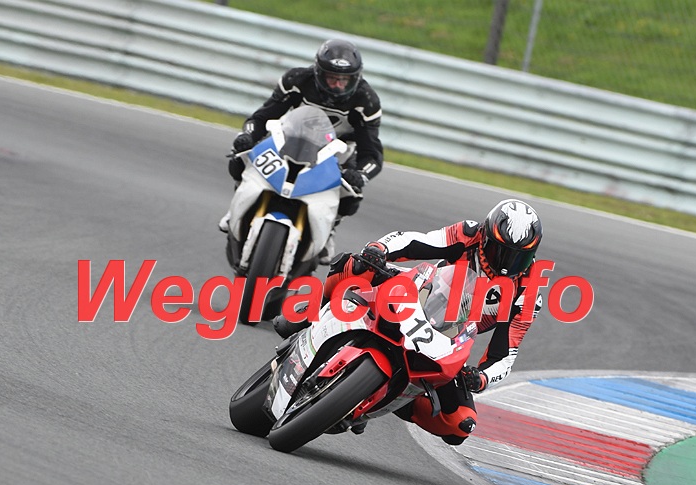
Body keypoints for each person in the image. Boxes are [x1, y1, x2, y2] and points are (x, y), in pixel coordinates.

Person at [274, 198, 545, 446]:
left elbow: (505, 354)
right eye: (500, 251)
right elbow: (416, 241)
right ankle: (313, 312)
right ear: (485, 237)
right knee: (357, 265)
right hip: (420, 292)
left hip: (449, 336)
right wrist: (380, 249)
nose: (507, 264)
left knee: (460, 424)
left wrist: (481, 378)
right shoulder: (469, 233)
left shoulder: (528, 294)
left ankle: (381, 399)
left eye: (518, 256)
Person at [219, 38, 384, 264]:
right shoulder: (297, 81)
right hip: (292, 138)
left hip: (337, 151)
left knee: (352, 193)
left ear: (355, 78)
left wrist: (360, 174)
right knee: (240, 156)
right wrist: (247, 136)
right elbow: (262, 117)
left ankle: (329, 229)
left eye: (344, 80)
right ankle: (237, 207)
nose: (337, 85)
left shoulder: (366, 101)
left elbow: (372, 154)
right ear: (318, 72)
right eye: (332, 78)